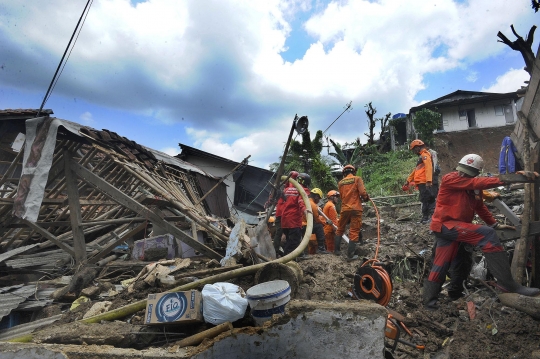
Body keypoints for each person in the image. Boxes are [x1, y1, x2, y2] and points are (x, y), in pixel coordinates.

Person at [423, 154, 540, 309]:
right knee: (487, 235)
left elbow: (479, 207)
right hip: (445, 226)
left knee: (445, 263)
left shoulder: (473, 188)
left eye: (468, 172)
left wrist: (495, 225)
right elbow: (479, 182)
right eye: (462, 170)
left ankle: (432, 302)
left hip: (457, 228)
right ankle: (507, 284)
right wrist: (510, 178)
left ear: (476, 172)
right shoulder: (450, 179)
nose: (463, 174)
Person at [336, 164, 369, 260]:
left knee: (340, 229)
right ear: (353, 172)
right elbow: (363, 193)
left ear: (344, 173)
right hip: (355, 208)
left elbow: (342, 197)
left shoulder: (340, 183)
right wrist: (366, 198)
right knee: (354, 230)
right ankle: (350, 255)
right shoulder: (357, 179)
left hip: (345, 209)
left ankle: (337, 251)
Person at [405, 139, 435, 224]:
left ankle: (432, 217)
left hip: (425, 182)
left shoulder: (425, 155)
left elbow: (429, 167)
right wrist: (408, 180)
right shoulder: (421, 157)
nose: (414, 152)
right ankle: (425, 217)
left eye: (414, 150)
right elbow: (416, 170)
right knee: (424, 199)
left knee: (429, 199)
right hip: (421, 183)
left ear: (418, 148)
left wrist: (429, 180)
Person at [281, 171, 311, 256]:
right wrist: (305, 211)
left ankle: (299, 255)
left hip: (285, 220)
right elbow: (301, 201)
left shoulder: (287, 189)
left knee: (290, 240)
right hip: (294, 221)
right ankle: (287, 261)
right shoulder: (302, 190)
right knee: (293, 243)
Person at [308, 188, 329, 254]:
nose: (319, 200)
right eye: (319, 198)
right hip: (306, 225)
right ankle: (321, 248)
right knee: (319, 226)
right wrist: (324, 223)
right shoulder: (313, 205)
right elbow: (317, 219)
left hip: (302, 223)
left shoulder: (306, 201)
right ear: (316, 197)